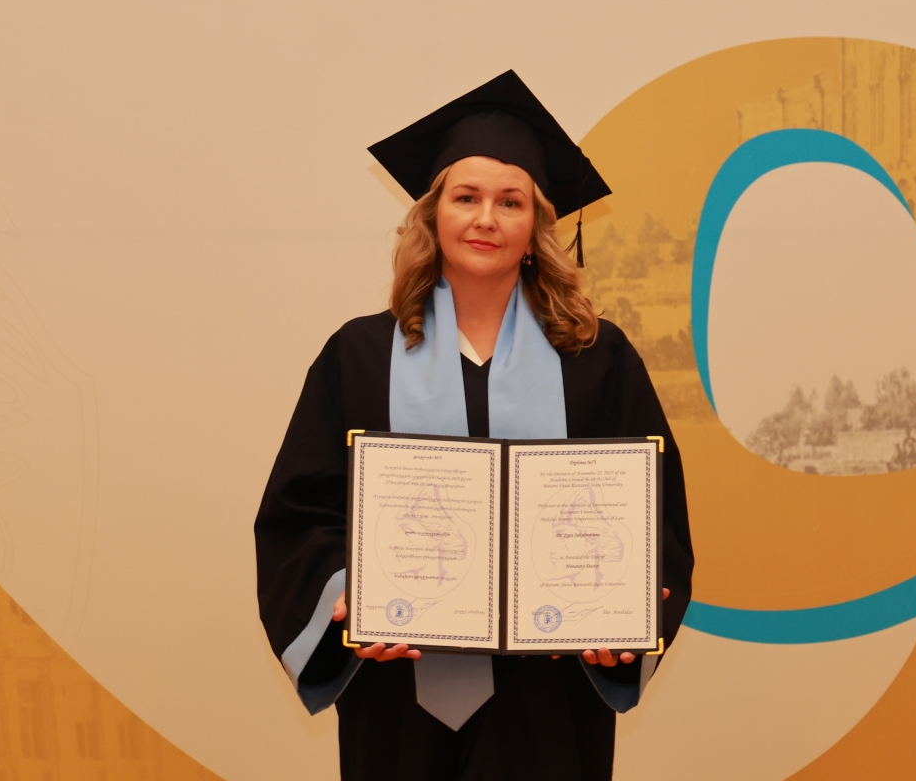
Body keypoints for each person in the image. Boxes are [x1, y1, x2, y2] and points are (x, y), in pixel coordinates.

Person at [255, 70, 694, 781]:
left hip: (549, 696)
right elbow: (300, 514)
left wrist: (625, 616)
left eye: (510, 202)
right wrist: (347, 603)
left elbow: (654, 517)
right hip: (399, 691)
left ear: (536, 229)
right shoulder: (358, 356)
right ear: (433, 216)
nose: (486, 218)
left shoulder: (597, 358)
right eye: (466, 197)